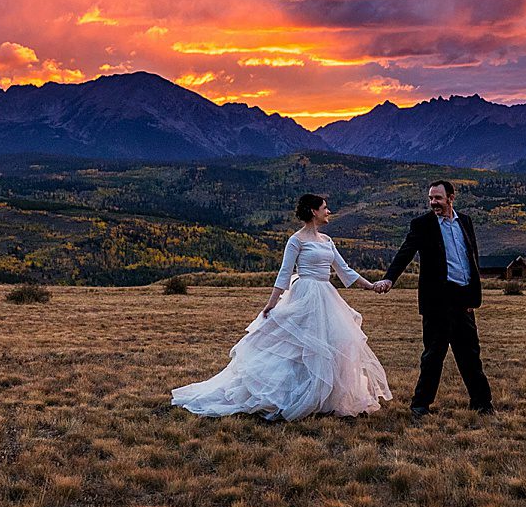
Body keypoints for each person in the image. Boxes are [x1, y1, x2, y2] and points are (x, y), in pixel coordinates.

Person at [171, 194, 392, 420]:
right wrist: (271, 304)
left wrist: (371, 286)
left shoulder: (327, 240)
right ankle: (294, 395)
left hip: (327, 296)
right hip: (305, 295)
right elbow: (284, 273)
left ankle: (323, 397)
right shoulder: (296, 240)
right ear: (313, 212)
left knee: (333, 344)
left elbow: (344, 270)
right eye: (325, 208)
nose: (329, 212)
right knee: (299, 347)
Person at [376, 179, 494, 416]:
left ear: (451, 198)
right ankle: (420, 405)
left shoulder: (465, 222)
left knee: (470, 355)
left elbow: (472, 259)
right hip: (437, 301)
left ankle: (482, 403)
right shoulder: (423, 225)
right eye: (430, 198)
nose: (433, 203)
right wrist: (389, 278)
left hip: (463, 300)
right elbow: (405, 252)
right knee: (433, 355)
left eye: (437, 198)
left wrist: (473, 297)